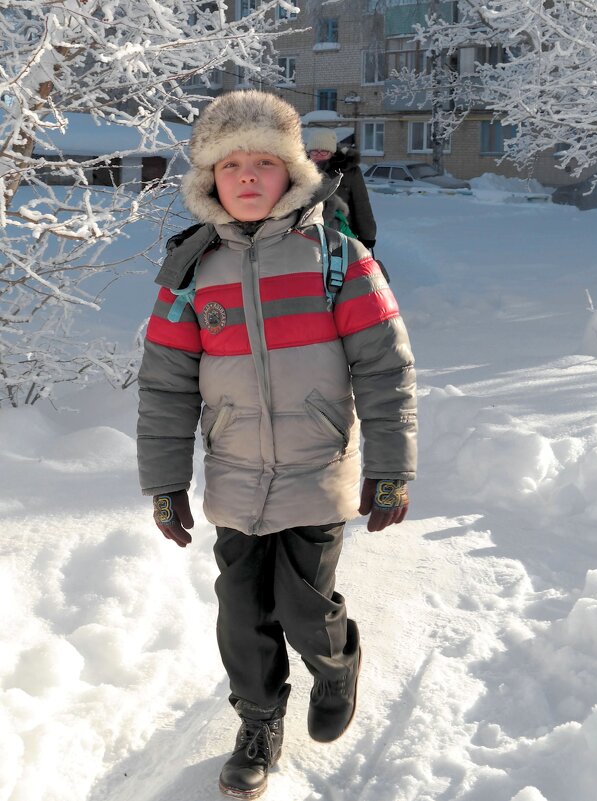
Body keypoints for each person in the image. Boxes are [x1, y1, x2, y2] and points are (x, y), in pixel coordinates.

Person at [136, 89, 417, 800]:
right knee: (241, 613)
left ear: (291, 170)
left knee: (301, 605)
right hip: (234, 474)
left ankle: (335, 660)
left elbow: (384, 366)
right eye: (233, 165)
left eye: (265, 161)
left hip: (316, 465)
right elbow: (165, 386)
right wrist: (164, 483)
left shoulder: (337, 256)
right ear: (210, 181)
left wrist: (389, 467)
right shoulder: (190, 272)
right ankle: (258, 721)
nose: (250, 177)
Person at [306, 128, 377, 251]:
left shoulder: (348, 171)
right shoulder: (299, 171)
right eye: (314, 151)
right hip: (308, 236)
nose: (318, 155)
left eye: (323, 151)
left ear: (332, 152)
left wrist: (367, 236)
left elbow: (361, 204)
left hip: (342, 234)